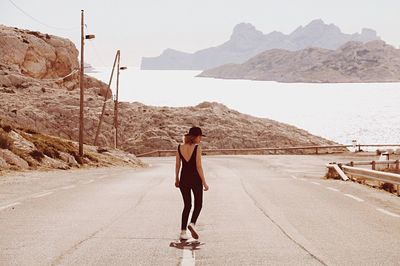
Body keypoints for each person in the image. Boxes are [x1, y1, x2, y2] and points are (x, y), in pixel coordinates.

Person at [175, 126, 209, 240]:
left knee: (187, 205)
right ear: (195, 137)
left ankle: (183, 232)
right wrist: (204, 182)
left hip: (184, 179)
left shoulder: (180, 147)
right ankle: (192, 223)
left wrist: (177, 178)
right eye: (200, 137)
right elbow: (198, 166)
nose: (200, 139)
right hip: (195, 179)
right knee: (198, 204)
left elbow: (178, 165)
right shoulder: (197, 147)